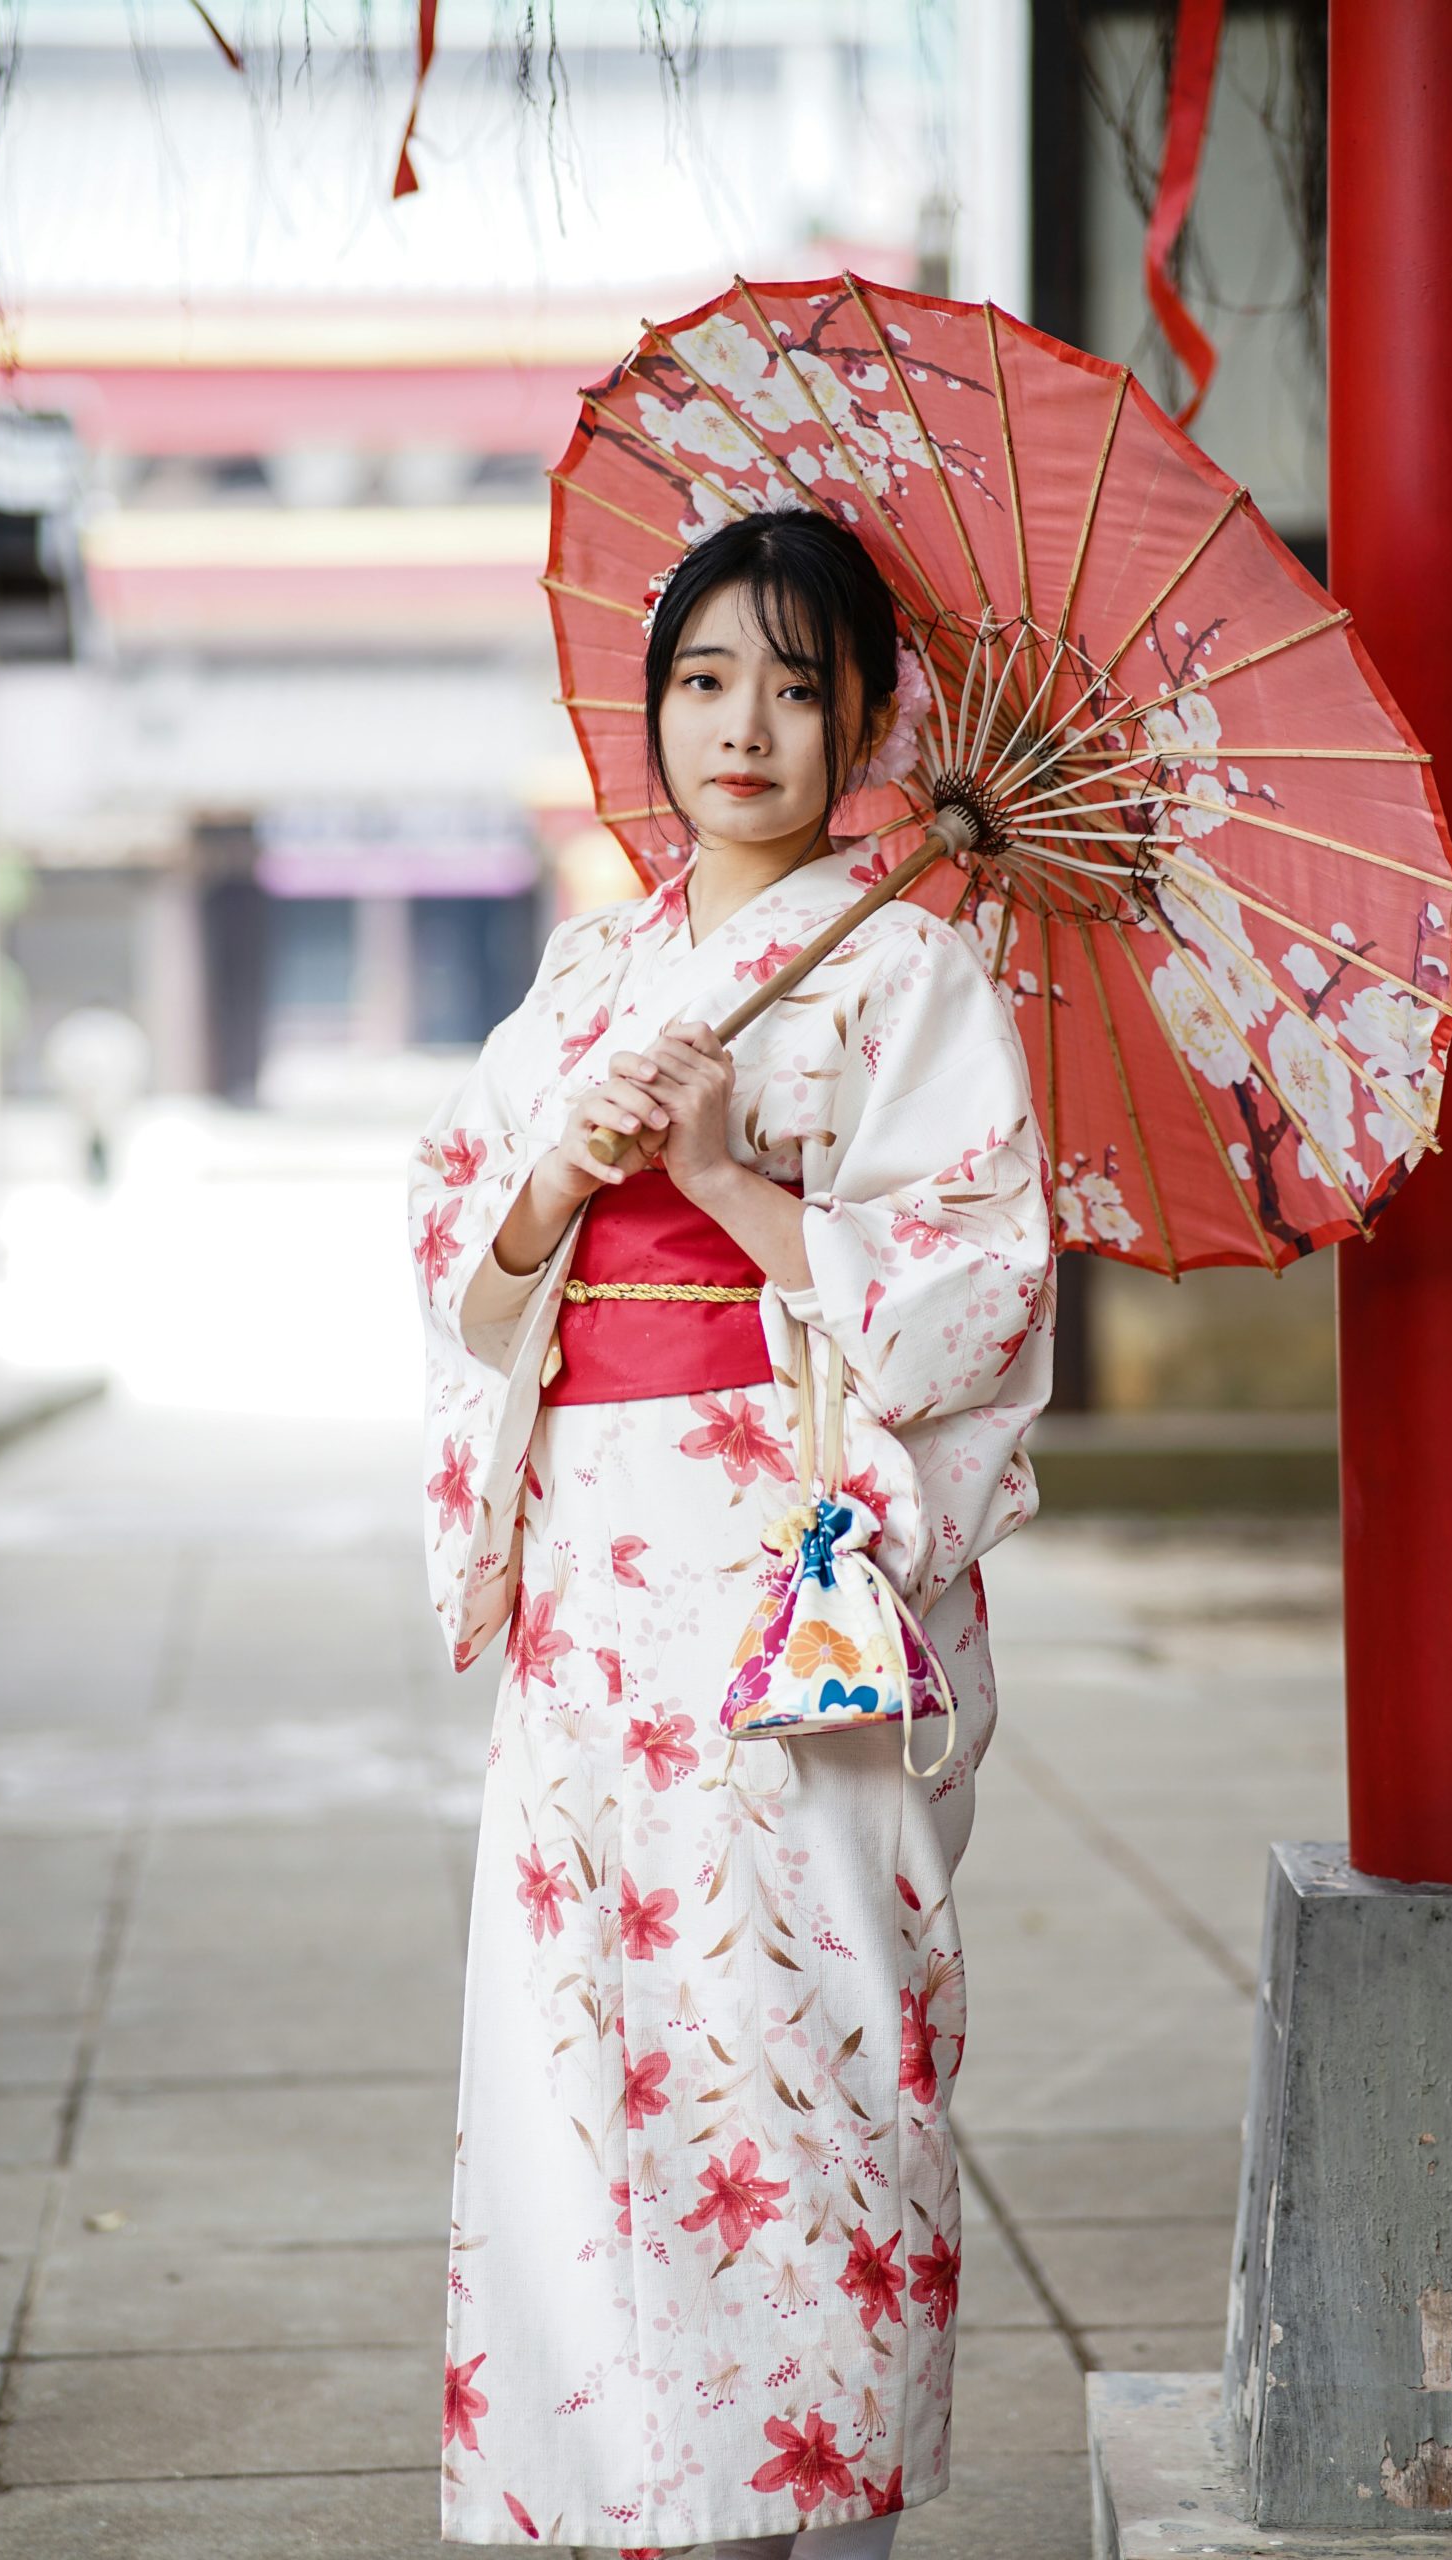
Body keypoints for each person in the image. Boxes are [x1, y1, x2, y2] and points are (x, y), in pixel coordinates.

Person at [410, 509, 1055, 2556]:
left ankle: (814, 2500)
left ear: (864, 713)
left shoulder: (908, 965)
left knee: (796, 2025)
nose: (744, 725)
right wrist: (545, 1182)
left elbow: (971, 1290)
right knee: (577, 2036)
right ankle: (617, 2502)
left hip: (781, 1558)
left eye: (795, 681)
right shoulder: (596, 961)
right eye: (703, 678)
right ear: (651, 704)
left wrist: (726, 1179)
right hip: (590, 1571)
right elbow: (462, 1251)